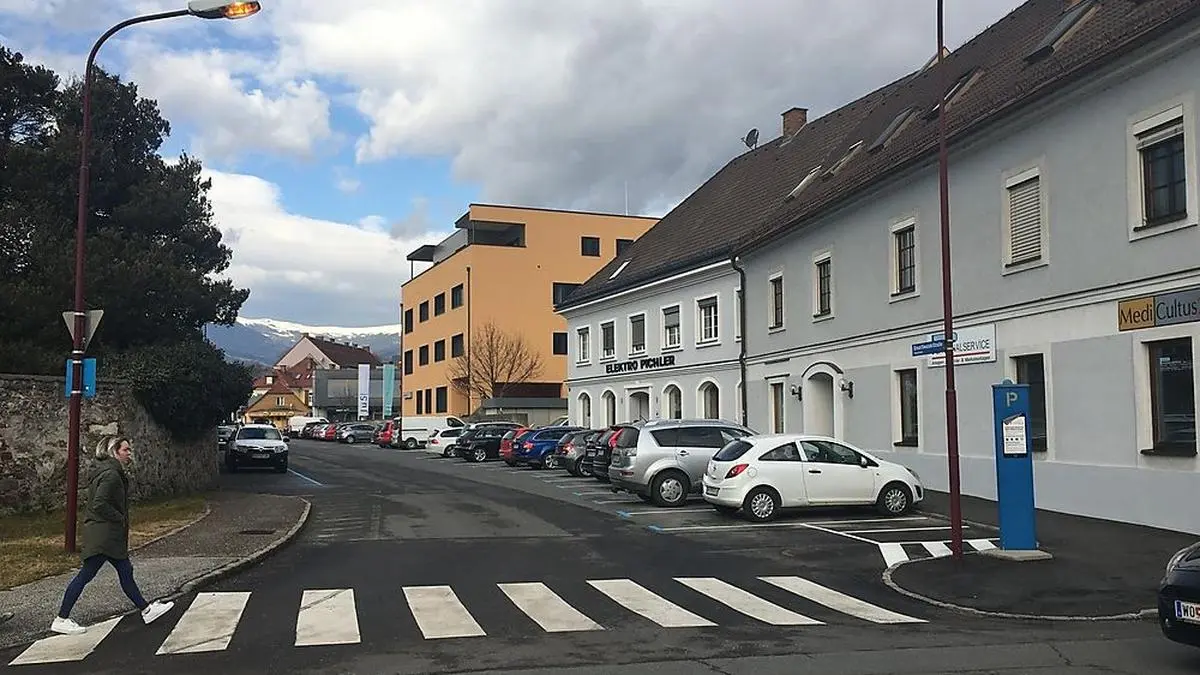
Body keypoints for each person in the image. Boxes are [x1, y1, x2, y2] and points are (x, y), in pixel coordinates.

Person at [51, 437, 174, 635]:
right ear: (114, 452)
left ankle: (146, 609)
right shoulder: (111, 475)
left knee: (125, 571)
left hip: (107, 534)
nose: (128, 454)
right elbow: (99, 503)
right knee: (87, 574)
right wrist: (119, 519)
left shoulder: (108, 471)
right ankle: (61, 618)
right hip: (104, 535)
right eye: (125, 450)